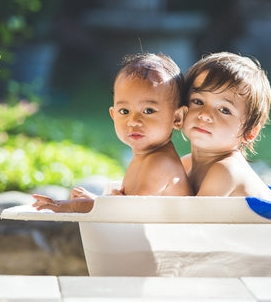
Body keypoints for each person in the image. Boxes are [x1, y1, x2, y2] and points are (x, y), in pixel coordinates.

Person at [32, 53, 193, 212]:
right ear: (113, 115)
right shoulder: (145, 157)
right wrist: (109, 199)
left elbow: (125, 211)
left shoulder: (160, 163)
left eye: (148, 110)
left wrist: (71, 205)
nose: (133, 121)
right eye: (124, 111)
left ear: (177, 118)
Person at [180, 52, 271, 203]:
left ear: (249, 132)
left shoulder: (226, 170)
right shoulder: (185, 164)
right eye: (198, 101)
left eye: (224, 110)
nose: (205, 114)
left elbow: (192, 223)